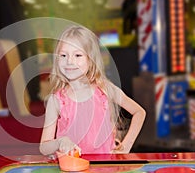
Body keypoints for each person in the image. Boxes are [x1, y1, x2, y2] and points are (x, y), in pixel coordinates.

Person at [39, 26, 146, 156]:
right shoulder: (57, 100)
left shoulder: (105, 89)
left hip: (105, 170)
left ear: (90, 60)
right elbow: (44, 147)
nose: (69, 61)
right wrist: (60, 142)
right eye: (63, 55)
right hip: (72, 172)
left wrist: (126, 146)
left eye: (78, 55)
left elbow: (139, 112)